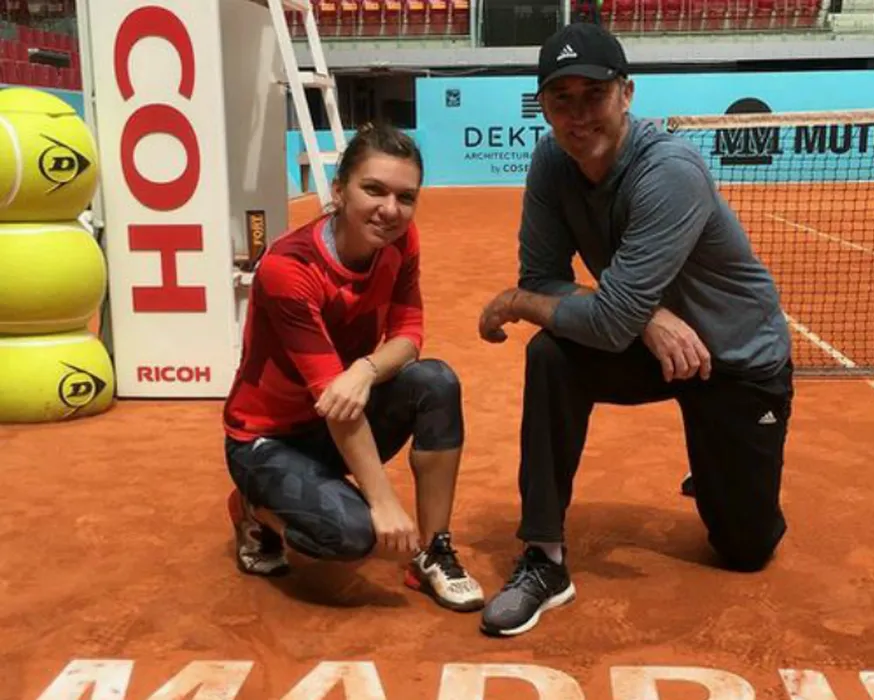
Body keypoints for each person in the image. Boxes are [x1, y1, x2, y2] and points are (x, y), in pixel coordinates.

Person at [476, 23, 795, 637]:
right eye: (561, 100)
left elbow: (573, 305)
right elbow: (545, 278)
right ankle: (544, 557)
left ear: (626, 93)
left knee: (745, 549)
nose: (578, 116)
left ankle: (719, 462)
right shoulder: (551, 161)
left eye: (593, 95)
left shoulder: (669, 171)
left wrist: (523, 302)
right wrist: (645, 316)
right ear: (543, 106)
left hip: (736, 358)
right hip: (646, 345)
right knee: (552, 355)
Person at [222, 123, 485, 613]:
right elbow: (333, 399)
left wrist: (364, 369)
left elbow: (409, 335)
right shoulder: (289, 269)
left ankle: (433, 552)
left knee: (436, 382)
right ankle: (254, 509)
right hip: (268, 438)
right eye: (374, 190)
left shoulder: (399, 242)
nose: (390, 209)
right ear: (339, 191)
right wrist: (382, 502)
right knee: (353, 535)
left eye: (405, 197)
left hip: (339, 413)